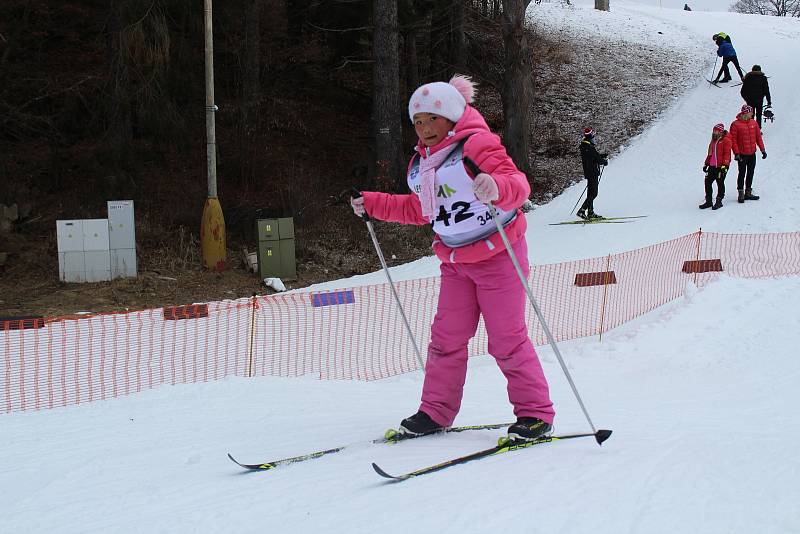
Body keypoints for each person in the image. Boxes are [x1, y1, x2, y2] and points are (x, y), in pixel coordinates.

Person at [350, 75, 555, 442]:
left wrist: (497, 187)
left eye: (432, 119)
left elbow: (517, 183)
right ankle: (435, 412)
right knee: (445, 339)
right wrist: (372, 203)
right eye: (417, 121)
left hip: (498, 256)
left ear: (451, 117)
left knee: (506, 340)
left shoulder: (477, 144)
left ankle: (535, 414)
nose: (424, 128)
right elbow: (420, 210)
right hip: (457, 263)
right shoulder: (422, 164)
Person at [729, 104, 766, 203]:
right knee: (742, 173)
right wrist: (736, 153)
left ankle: (748, 192)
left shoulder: (754, 123)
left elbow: (758, 138)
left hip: (752, 153)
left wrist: (763, 150)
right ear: (746, 113)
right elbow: (733, 140)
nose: (752, 114)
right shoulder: (735, 124)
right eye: (751, 112)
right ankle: (740, 192)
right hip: (742, 154)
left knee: (750, 172)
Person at [577, 127, 609, 220]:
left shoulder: (586, 145)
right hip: (592, 172)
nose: (594, 137)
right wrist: (604, 162)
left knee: (590, 193)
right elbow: (597, 159)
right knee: (594, 193)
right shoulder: (588, 147)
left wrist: (602, 156)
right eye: (593, 135)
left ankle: (590, 212)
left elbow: (594, 157)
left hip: (590, 172)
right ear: (590, 136)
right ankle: (582, 210)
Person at [700, 123, 732, 210]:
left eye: (716, 131)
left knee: (720, 182)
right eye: (714, 131)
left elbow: (727, 154)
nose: (714, 133)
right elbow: (710, 154)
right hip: (712, 165)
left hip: (721, 166)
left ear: (721, 132)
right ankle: (708, 200)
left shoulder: (726, 141)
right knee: (707, 182)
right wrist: (706, 163)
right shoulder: (713, 141)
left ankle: (719, 200)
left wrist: (725, 166)